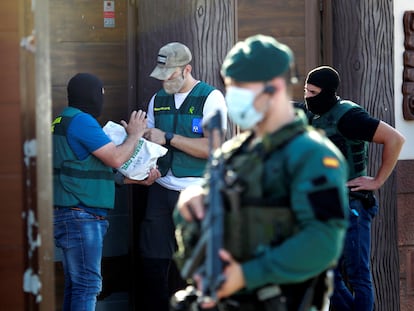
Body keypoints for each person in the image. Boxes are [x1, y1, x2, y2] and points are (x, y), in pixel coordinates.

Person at [175, 34, 350, 311]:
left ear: (276, 86)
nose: (233, 97)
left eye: (241, 87)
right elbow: (198, 216)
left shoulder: (313, 155)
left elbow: (323, 241)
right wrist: (189, 198)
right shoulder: (233, 152)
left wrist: (246, 275)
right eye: (230, 86)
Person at [52, 72, 160, 311]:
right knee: (88, 286)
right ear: (91, 94)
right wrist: (134, 134)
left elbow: (87, 170)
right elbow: (115, 158)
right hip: (81, 215)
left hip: (72, 213)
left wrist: (136, 181)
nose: (102, 98)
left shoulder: (63, 120)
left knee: (76, 285)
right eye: (101, 93)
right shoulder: (82, 121)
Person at [303, 65, 406, 311]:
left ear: (327, 92)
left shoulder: (350, 117)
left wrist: (377, 180)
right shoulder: (310, 114)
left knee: (358, 273)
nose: (307, 97)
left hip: (353, 204)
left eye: (313, 92)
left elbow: (395, 138)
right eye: (305, 90)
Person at [140, 42, 228, 311]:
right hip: (161, 188)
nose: (165, 80)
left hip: (196, 191)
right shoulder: (158, 99)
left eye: (170, 75)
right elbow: (151, 144)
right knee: (152, 260)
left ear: (187, 69)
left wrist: (168, 137)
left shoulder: (211, 97)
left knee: (190, 264)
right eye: (161, 74)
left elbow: (212, 147)